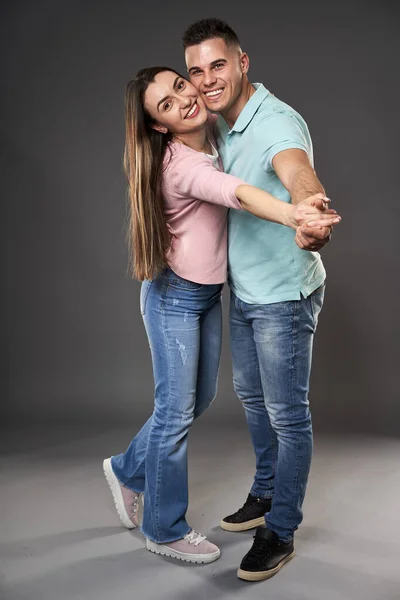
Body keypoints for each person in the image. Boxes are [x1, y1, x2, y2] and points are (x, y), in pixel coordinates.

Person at [102, 66, 340, 565]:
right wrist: (294, 213)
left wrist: (302, 191)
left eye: (180, 87)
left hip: (206, 295)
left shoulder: (211, 134)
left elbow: (281, 155)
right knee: (175, 412)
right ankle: (163, 528)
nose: (184, 99)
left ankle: (127, 470)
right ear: (160, 126)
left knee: (198, 399)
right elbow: (239, 193)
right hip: (175, 297)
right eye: (166, 104)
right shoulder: (183, 164)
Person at [183, 17, 336, 580]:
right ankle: (266, 494)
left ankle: (283, 529)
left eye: (217, 65)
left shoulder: (273, 120)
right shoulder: (221, 123)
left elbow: (294, 167)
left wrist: (310, 207)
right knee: (252, 399)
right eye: (195, 71)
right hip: (245, 290)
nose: (206, 80)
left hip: (282, 296)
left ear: (243, 63)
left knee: (287, 416)